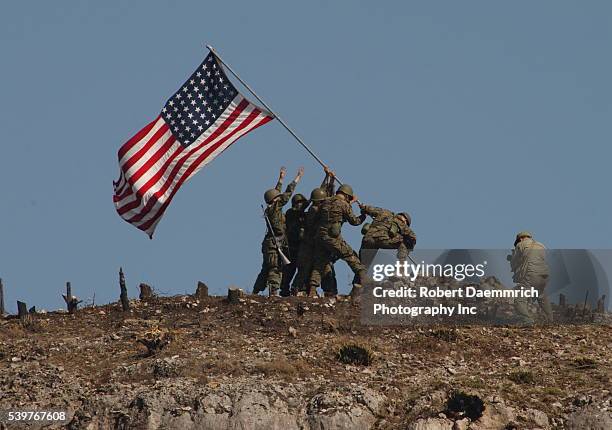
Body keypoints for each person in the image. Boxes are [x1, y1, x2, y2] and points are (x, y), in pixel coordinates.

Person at [307, 182, 367, 296]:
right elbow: (354, 221)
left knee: (320, 263)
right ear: (348, 196)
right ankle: (364, 279)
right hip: (333, 238)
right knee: (351, 256)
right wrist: (363, 215)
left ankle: (312, 289)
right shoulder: (344, 204)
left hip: (320, 237)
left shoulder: (325, 201)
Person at [252, 166, 304, 296]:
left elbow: (276, 194)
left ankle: (256, 291)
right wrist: (297, 179)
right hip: (275, 244)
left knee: (266, 269)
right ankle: (273, 292)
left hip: (270, 243)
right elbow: (286, 195)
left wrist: (280, 180)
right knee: (275, 268)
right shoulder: (275, 208)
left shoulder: (271, 208)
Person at [291, 167, 337, 296]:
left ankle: (317, 290)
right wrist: (329, 180)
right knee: (315, 268)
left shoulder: (314, 208)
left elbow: (322, 195)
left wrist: (329, 179)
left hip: (314, 245)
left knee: (319, 268)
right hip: (311, 245)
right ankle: (303, 289)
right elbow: (327, 199)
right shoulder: (314, 211)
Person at [509, 231, 553, 324]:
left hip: (531, 275)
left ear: (520, 239)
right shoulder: (541, 246)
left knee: (519, 299)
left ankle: (527, 319)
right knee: (541, 296)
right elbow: (536, 259)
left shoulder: (520, 245)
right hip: (544, 275)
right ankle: (550, 320)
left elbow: (514, 263)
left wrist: (511, 258)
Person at [357, 205, 416, 273]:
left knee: (364, 264)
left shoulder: (384, 212)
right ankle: (400, 270)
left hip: (367, 239)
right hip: (381, 240)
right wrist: (408, 249)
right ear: (405, 220)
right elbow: (413, 237)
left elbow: (367, 208)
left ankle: (358, 282)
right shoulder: (402, 223)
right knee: (403, 244)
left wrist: (363, 208)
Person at [279, 192, 308, 297]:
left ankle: (297, 289)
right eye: (300, 202)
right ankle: (284, 290)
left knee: (302, 269)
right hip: (291, 247)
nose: (302, 205)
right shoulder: (291, 213)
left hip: (300, 247)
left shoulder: (303, 215)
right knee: (289, 270)